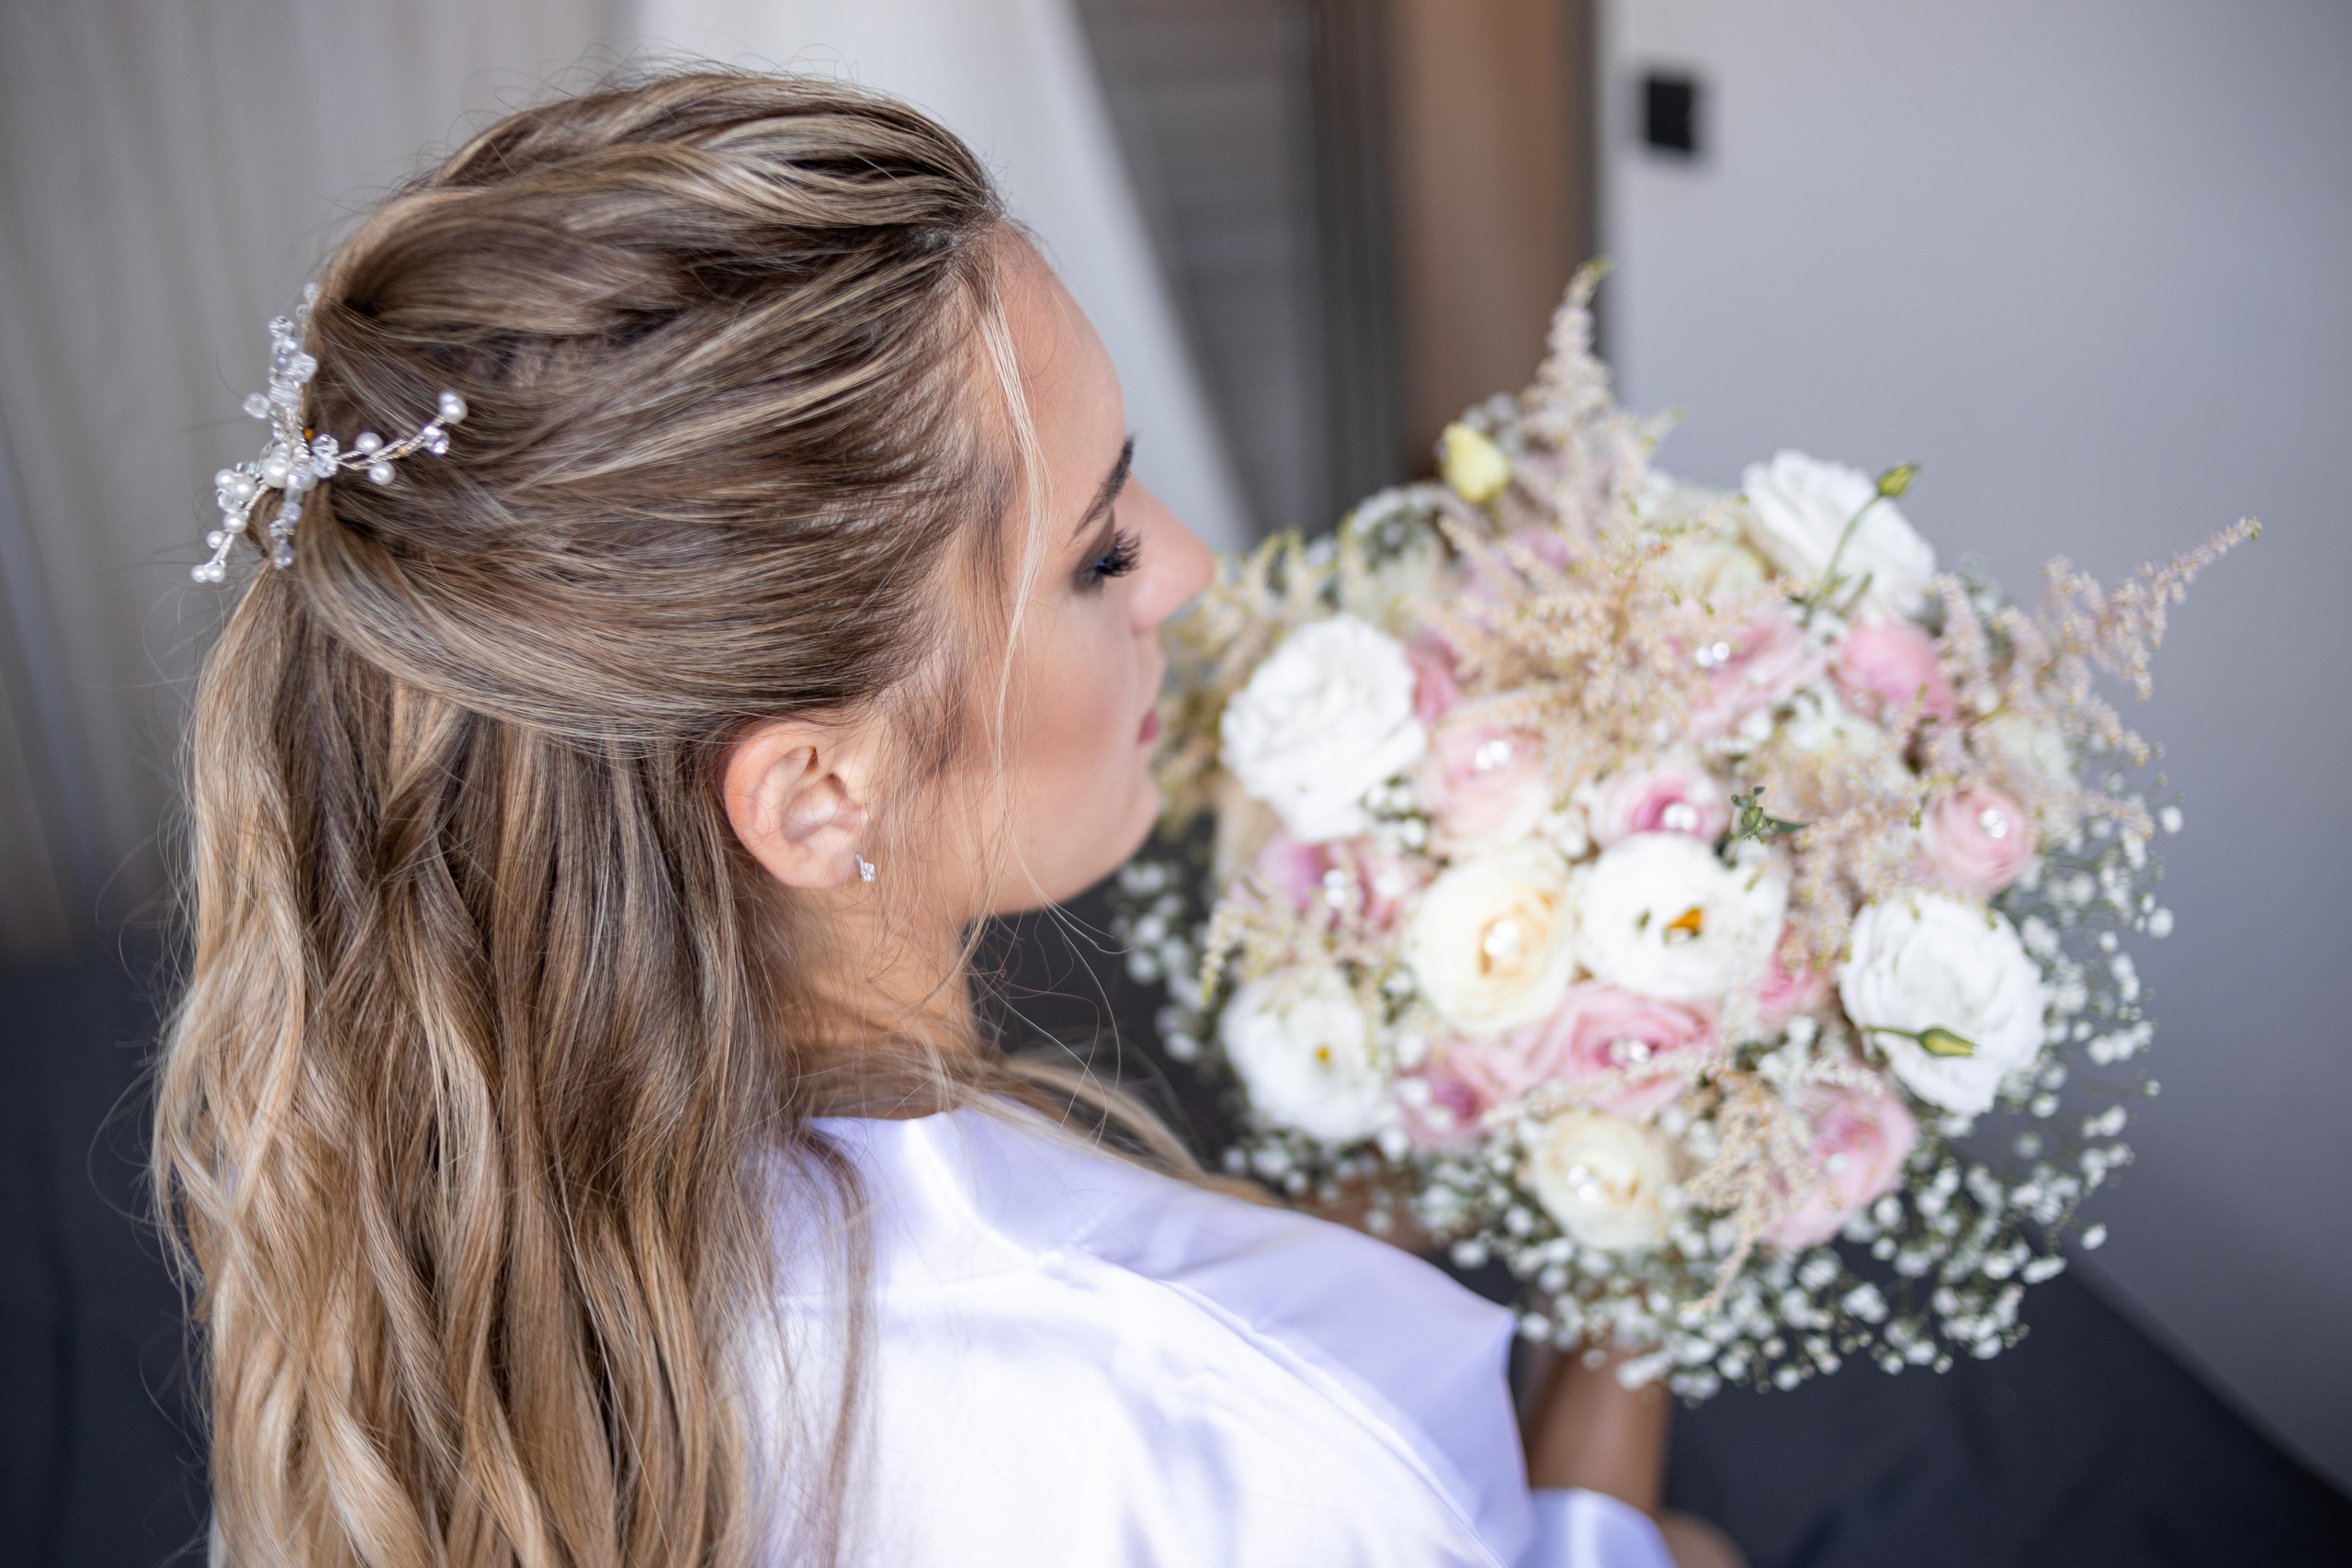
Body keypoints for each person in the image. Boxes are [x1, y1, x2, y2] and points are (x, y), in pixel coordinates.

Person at [154, 70, 1741, 1567]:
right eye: (1099, 556)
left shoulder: (377, 1327)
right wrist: (1647, 1247)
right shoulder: (1261, 1407)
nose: (1190, 567)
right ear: (815, 791)